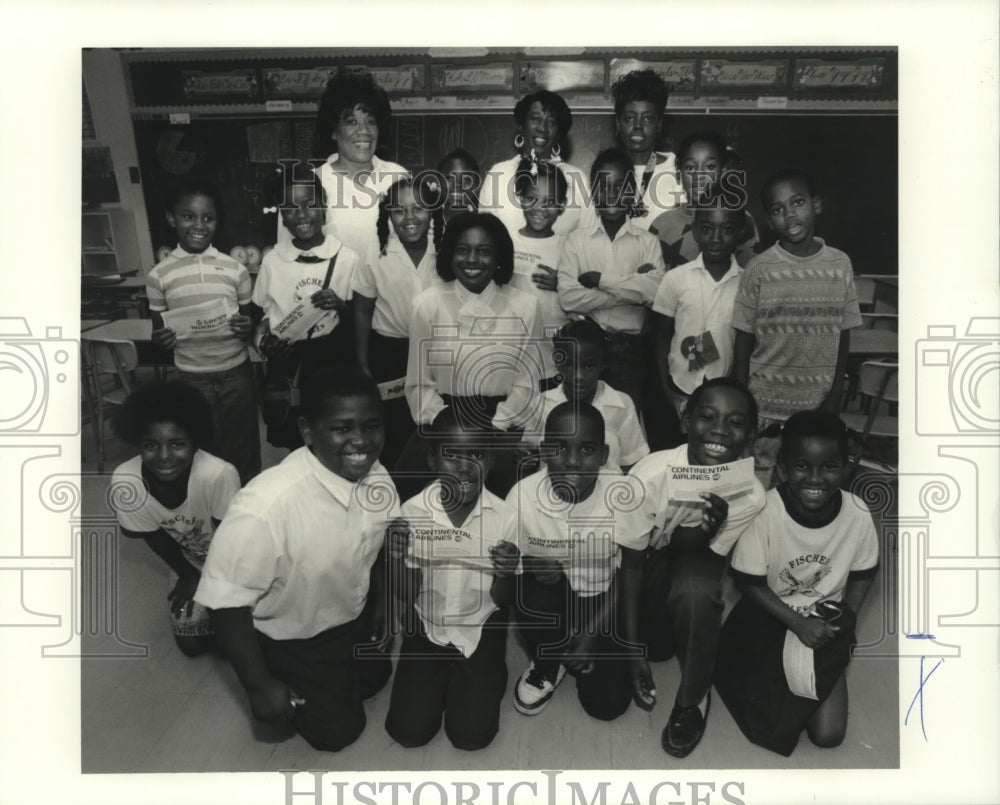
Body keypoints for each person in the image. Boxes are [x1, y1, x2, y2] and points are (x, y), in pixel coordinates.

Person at [195, 366, 398, 753]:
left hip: (346, 611)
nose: (361, 441)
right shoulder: (266, 507)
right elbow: (226, 602)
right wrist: (258, 685)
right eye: (342, 428)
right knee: (339, 734)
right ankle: (274, 666)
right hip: (293, 634)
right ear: (307, 431)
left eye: (372, 426)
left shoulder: (379, 477)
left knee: (374, 679)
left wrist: (381, 602)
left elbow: (376, 548)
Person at [714, 410, 879, 756]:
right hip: (770, 616)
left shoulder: (858, 513)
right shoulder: (765, 510)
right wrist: (798, 624)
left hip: (822, 624)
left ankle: (819, 671)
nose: (815, 478)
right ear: (783, 468)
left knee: (828, 735)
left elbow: (864, 574)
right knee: (772, 722)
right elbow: (749, 583)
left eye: (828, 466)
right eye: (802, 466)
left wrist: (843, 622)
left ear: (845, 467)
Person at [628, 376, 766, 758]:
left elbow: (704, 562)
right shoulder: (649, 474)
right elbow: (631, 564)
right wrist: (631, 649)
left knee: (698, 592)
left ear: (750, 437)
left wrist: (710, 528)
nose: (720, 430)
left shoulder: (749, 494)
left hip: (688, 561)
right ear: (686, 421)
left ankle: (693, 698)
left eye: (736, 423)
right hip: (638, 565)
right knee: (650, 653)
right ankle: (655, 637)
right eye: (707, 416)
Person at [383, 409, 520, 750]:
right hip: (427, 623)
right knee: (409, 732)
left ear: (489, 462)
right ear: (432, 460)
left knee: (470, 737)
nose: (463, 466)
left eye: (475, 454)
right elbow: (407, 591)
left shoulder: (506, 516)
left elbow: (503, 600)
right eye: (451, 455)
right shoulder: (412, 513)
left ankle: (489, 669)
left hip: (479, 625)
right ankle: (441, 671)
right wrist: (396, 557)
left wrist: (506, 571)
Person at [508, 402, 649, 721]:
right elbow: (507, 564)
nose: (572, 461)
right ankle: (547, 663)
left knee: (607, 706)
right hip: (554, 598)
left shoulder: (625, 496)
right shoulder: (521, 496)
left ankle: (584, 645)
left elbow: (631, 574)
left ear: (604, 454)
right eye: (559, 448)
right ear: (544, 451)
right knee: (528, 588)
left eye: (586, 449)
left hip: (605, 599)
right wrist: (530, 564)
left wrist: (592, 632)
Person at [732, 169, 863, 488]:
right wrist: (742, 402)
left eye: (798, 202)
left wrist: (834, 397)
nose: (789, 214)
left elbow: (843, 333)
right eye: (778, 209)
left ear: (816, 205)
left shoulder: (839, 264)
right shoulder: (758, 269)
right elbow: (744, 339)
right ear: (769, 220)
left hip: (817, 405)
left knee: (805, 486)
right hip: (764, 406)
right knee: (756, 490)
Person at [401, 211, 543, 498]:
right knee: (406, 496)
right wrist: (444, 426)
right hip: (442, 421)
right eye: (462, 250)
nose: (472, 260)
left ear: (500, 255)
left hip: (503, 425)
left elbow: (528, 384)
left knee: (513, 503)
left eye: (484, 251)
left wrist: (497, 427)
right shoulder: (426, 306)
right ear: (449, 254)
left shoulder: (526, 306)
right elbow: (418, 383)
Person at [110, 380, 241, 656]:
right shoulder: (126, 482)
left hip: (236, 559)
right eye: (151, 445)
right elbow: (155, 537)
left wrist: (218, 590)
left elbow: (235, 543)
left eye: (177, 444)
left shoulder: (217, 474)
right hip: (190, 561)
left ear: (196, 444)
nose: (164, 457)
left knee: (246, 629)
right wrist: (189, 574)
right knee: (192, 644)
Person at [146, 179, 260, 484]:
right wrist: (161, 339)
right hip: (191, 376)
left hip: (236, 372)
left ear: (217, 222)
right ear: (172, 218)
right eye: (188, 216)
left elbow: (247, 323)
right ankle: (212, 508)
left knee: (243, 446)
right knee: (202, 449)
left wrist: (246, 326)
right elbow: (160, 334)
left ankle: (248, 505)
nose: (199, 225)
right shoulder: (159, 276)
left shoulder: (235, 269)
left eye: (208, 218)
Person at [253, 163, 362, 449]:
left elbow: (360, 323)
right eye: (290, 208)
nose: (301, 215)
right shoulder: (272, 261)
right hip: (288, 364)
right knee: (296, 443)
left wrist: (339, 305)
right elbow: (260, 320)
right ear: (281, 215)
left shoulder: (346, 258)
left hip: (332, 361)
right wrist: (265, 345)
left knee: (333, 437)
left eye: (309, 204)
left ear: (323, 205)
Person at [557, 147, 665, 413]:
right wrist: (630, 288)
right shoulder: (575, 241)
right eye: (604, 186)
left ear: (632, 192)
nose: (612, 194)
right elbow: (569, 298)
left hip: (632, 353)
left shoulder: (648, 242)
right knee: (584, 421)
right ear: (593, 193)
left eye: (621, 186)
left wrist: (601, 280)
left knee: (624, 423)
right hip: (586, 348)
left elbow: (655, 292)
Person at [353, 174, 445, 470]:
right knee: (393, 429)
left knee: (434, 425)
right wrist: (363, 365)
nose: (409, 218)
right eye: (398, 210)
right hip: (390, 354)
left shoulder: (445, 244)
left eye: (418, 208)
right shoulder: (374, 248)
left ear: (432, 211)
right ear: (387, 215)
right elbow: (362, 310)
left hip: (438, 352)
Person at [652, 198, 747, 419]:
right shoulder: (675, 279)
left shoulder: (746, 285)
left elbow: (745, 345)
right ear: (694, 231)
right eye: (706, 229)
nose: (715, 238)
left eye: (727, 230)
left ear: (741, 232)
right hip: (679, 385)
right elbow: (661, 337)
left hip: (724, 389)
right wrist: (666, 390)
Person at [298, 72, 408, 260]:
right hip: (333, 289)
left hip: (391, 289)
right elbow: (293, 258)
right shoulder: (310, 185)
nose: (364, 131)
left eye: (371, 121)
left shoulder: (399, 177)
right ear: (333, 130)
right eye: (352, 122)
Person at [521, 319, 649, 474]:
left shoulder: (621, 404)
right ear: (557, 362)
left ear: (603, 363)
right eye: (569, 365)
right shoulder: (542, 403)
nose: (578, 376)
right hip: (553, 494)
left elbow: (633, 464)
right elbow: (530, 455)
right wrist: (525, 456)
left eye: (588, 366)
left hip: (607, 494)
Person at [479, 89, 595, 239]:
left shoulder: (576, 179)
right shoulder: (499, 174)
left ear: (559, 133)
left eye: (552, 122)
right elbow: (483, 237)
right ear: (521, 125)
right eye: (535, 119)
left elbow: (589, 243)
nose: (543, 128)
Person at [648, 131, 760, 270]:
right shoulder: (662, 225)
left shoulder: (740, 218)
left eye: (710, 167)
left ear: (723, 172)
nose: (699, 175)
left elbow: (751, 278)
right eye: (690, 167)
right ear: (679, 174)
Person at [509, 161, 569, 386]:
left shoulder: (570, 248)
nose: (539, 208)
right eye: (531, 198)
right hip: (512, 362)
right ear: (521, 198)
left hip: (555, 363)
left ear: (562, 205)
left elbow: (584, 301)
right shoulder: (506, 244)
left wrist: (562, 284)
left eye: (550, 202)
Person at [611, 69, 684, 227]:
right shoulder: (606, 171)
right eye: (629, 118)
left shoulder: (679, 172)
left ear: (659, 124)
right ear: (618, 123)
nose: (638, 126)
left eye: (648, 118)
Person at [438, 148, 481, 224]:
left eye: (466, 179)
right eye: (450, 178)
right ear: (439, 182)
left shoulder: (484, 226)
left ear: (476, 184)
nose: (458, 185)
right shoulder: (425, 225)